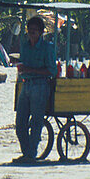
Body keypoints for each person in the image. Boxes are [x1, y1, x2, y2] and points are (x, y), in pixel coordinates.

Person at [12, 16, 57, 163]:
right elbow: (23, 63)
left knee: (36, 121)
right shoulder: (25, 46)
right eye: (29, 31)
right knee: (20, 123)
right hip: (26, 84)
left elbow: (52, 71)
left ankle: (31, 154)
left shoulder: (47, 48)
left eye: (34, 31)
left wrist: (31, 69)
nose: (31, 33)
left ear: (41, 32)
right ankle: (27, 153)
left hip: (40, 85)